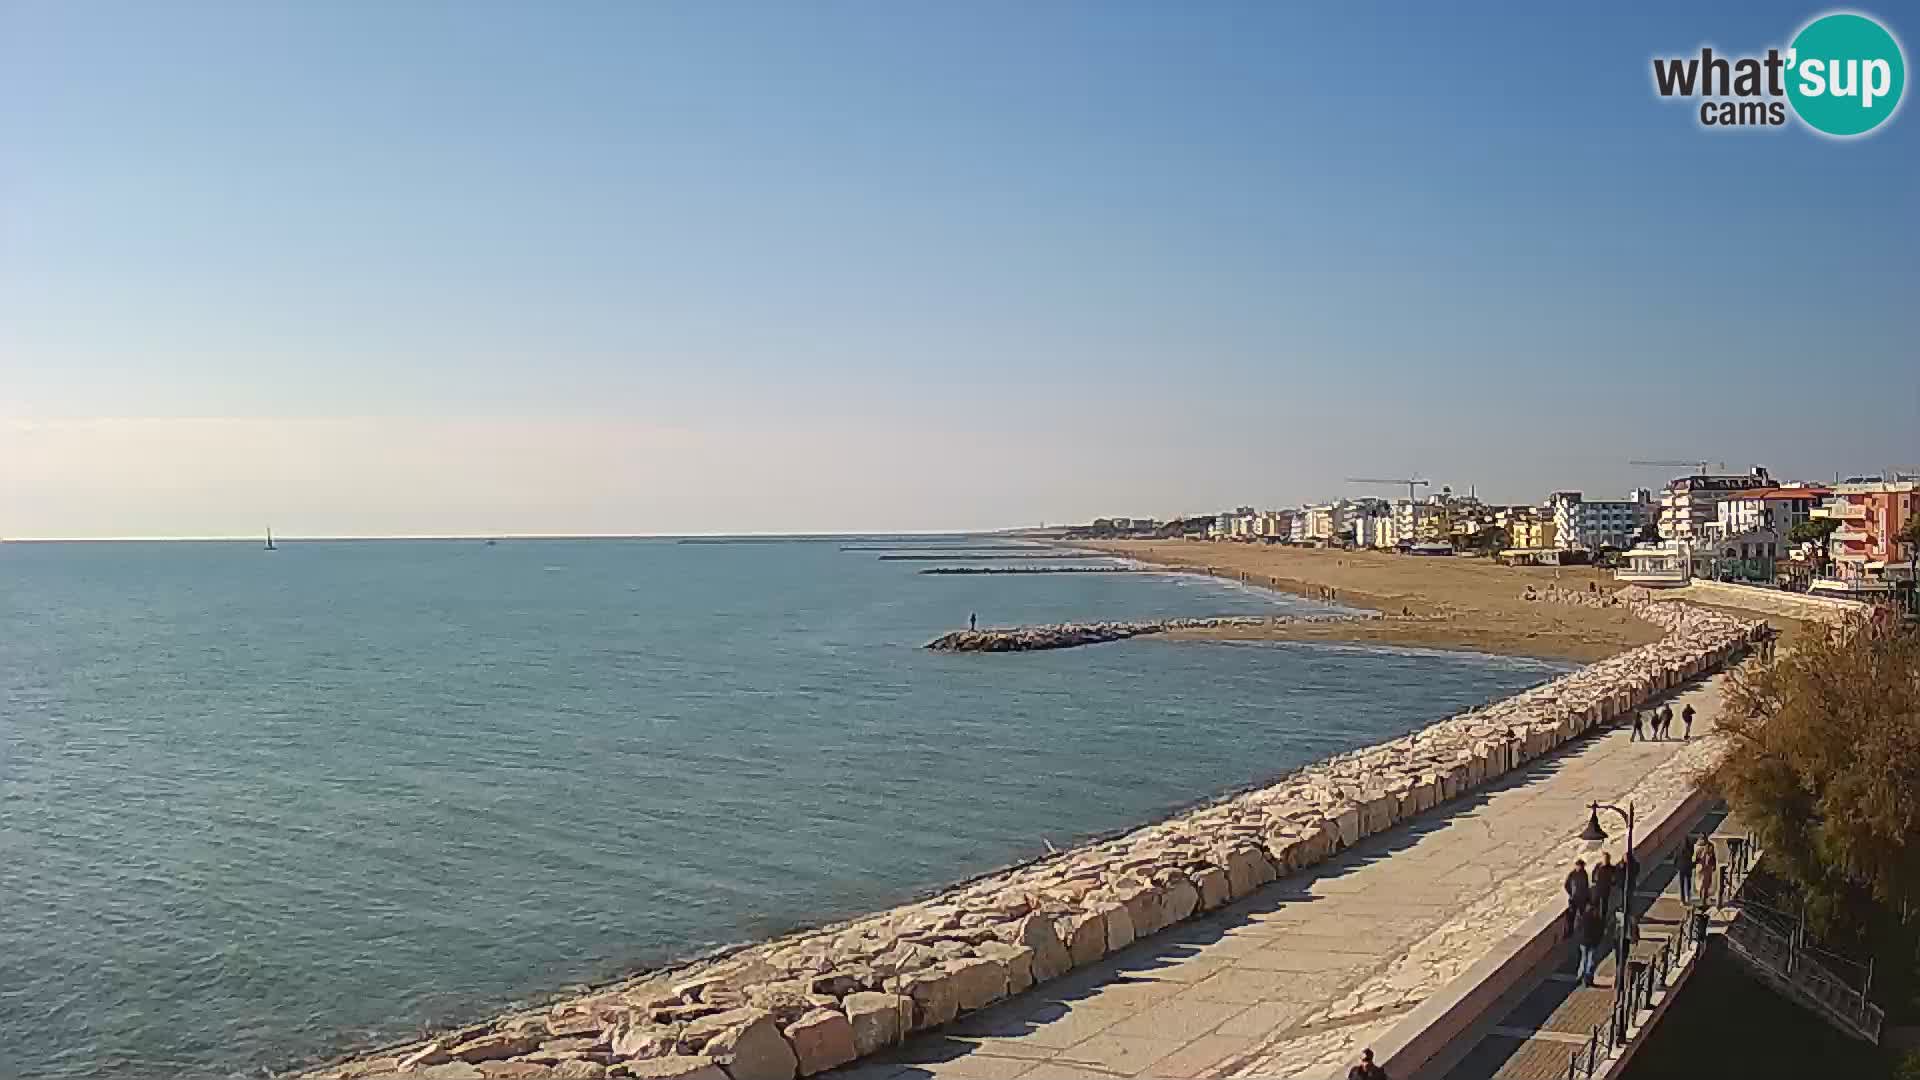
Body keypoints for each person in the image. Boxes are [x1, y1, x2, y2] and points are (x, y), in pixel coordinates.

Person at [1577, 900, 1607, 987]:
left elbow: (1579, 928)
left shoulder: (1584, 918)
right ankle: (1587, 979)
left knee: (1584, 959)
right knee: (1591, 961)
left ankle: (1580, 976)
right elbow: (1600, 931)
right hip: (1592, 943)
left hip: (1584, 942)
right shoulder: (1596, 920)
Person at [1564, 858, 1590, 937]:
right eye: (1580, 866)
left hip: (1582, 899)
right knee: (1571, 917)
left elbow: (1586, 886)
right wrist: (1571, 894)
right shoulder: (1571, 874)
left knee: (1582, 915)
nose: (1581, 867)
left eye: (1582, 866)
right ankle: (1570, 932)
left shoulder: (1584, 874)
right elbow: (1566, 885)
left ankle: (1582, 930)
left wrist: (1587, 897)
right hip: (1574, 899)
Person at [1592, 852, 1617, 923]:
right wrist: (1595, 879)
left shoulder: (1612, 868)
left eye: (1606, 858)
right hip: (1598, 889)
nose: (1605, 859)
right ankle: (1595, 920)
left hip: (1606, 889)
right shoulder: (1598, 866)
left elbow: (1615, 880)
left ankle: (1603, 921)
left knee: (1604, 906)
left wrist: (1611, 883)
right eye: (1604, 858)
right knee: (1595, 905)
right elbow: (1593, 877)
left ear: (1609, 859)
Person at [1696, 840, 1719, 908]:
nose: (1711, 849)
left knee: (1706, 886)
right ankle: (1703, 900)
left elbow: (1713, 863)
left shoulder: (1711, 855)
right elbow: (1700, 862)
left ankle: (1704, 901)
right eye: (1710, 848)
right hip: (1705, 872)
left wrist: (1713, 867)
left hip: (1708, 872)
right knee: (1704, 886)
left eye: (1711, 848)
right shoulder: (1704, 854)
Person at [1676, 834, 1695, 904]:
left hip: (1681, 866)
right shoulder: (1690, 846)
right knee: (1688, 883)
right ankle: (1688, 897)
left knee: (1682, 883)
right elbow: (1692, 854)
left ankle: (1682, 899)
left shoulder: (1679, 847)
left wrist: (1675, 865)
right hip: (1688, 866)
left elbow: (1676, 856)